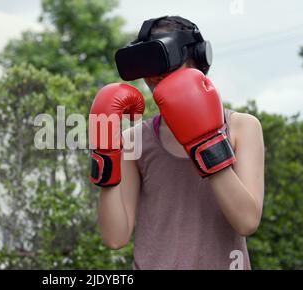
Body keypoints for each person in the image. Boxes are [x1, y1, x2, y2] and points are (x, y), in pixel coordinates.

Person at [89, 16, 265, 270]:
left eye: (166, 61)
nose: (155, 76)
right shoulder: (134, 140)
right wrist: (104, 154)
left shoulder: (242, 127)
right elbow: (115, 238)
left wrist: (206, 140)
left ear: (198, 59)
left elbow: (247, 221)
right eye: (148, 65)